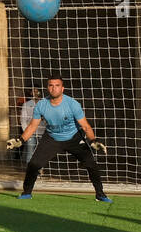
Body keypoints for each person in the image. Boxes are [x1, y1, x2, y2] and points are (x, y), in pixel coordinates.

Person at [8, 75, 110, 203]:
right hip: (52, 137)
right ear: (47, 88)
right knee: (33, 164)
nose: (54, 88)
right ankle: (26, 193)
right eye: (51, 85)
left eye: (57, 85)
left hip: (74, 138)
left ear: (62, 89)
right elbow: (32, 126)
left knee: (91, 164)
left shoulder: (73, 104)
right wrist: (20, 140)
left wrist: (93, 141)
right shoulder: (41, 105)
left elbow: (85, 126)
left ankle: (100, 194)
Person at [18, 88, 40, 165]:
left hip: (42, 132)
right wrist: (26, 131)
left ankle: (39, 170)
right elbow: (23, 119)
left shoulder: (44, 103)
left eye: (37, 91)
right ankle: (29, 171)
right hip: (30, 132)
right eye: (34, 91)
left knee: (41, 153)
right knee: (30, 152)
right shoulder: (26, 104)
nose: (36, 93)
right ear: (31, 93)